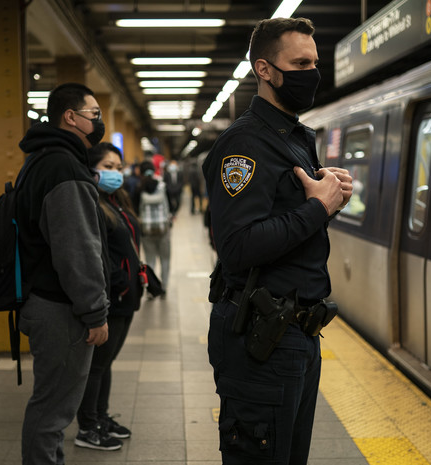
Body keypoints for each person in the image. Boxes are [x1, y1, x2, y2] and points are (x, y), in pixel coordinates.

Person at [202, 18, 352, 465]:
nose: (313, 74)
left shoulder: (294, 138)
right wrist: (316, 209)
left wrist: (328, 198)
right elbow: (237, 247)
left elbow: (289, 225)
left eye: (315, 63)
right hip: (261, 339)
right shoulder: (245, 146)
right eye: (300, 63)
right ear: (264, 70)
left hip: (296, 333)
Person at [14, 83, 110, 465]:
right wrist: (95, 312)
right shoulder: (63, 166)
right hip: (60, 308)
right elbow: (77, 251)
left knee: (52, 407)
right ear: (70, 117)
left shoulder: (41, 159)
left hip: (44, 299)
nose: (99, 122)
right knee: (52, 411)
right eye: (94, 114)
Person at [74, 142, 142, 451]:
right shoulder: (91, 205)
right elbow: (97, 256)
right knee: (97, 366)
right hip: (112, 298)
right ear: (92, 170)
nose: (116, 173)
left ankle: (100, 416)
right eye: (109, 167)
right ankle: (88, 426)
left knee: (107, 362)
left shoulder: (115, 201)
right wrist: (120, 284)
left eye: (119, 167)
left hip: (125, 297)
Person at [134, 160, 172, 297]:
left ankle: (152, 290)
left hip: (147, 230)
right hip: (163, 229)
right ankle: (164, 288)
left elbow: (134, 209)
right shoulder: (162, 186)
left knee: (150, 260)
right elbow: (170, 205)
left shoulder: (139, 188)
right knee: (165, 259)